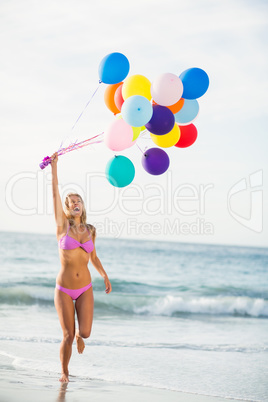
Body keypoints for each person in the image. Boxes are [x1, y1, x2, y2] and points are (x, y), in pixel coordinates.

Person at [50, 152, 112, 383]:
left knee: (84, 332)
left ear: (83, 206)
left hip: (85, 287)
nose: (75, 203)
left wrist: (104, 275)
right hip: (64, 289)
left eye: (78, 200)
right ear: (66, 208)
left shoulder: (90, 231)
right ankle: (64, 371)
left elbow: (93, 257)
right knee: (66, 336)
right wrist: (54, 169)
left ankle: (79, 335)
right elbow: (55, 194)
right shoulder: (62, 226)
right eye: (71, 202)